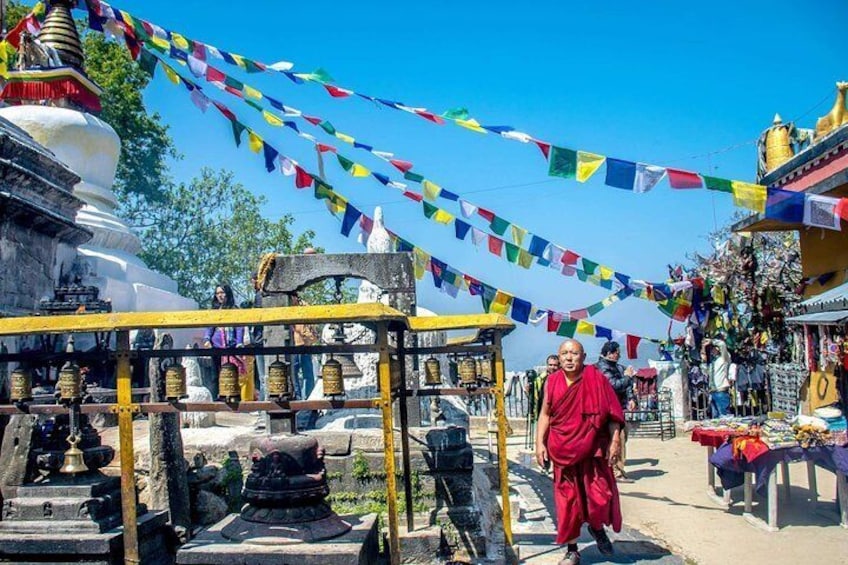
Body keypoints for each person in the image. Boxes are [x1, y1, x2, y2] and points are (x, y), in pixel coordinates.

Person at [535, 339, 625, 565]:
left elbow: (613, 414)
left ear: (583, 357)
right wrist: (539, 443)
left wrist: (615, 441)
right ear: (558, 356)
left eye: (574, 353)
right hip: (562, 451)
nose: (568, 357)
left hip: (592, 451)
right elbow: (545, 414)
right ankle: (572, 549)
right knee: (568, 503)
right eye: (564, 353)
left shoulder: (597, 379)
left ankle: (596, 527)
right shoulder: (552, 382)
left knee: (599, 498)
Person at [596, 341, 636, 482]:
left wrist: (631, 398)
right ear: (610, 353)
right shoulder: (603, 368)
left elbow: (627, 386)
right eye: (617, 353)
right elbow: (615, 386)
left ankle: (616, 469)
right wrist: (628, 377)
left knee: (622, 438)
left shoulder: (617, 367)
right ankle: (616, 471)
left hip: (619, 409)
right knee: (617, 439)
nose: (619, 356)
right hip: (609, 411)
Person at [202, 284, 246, 396]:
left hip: (231, 346)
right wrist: (207, 339)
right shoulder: (214, 310)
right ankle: (216, 399)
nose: (220, 295)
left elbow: (239, 327)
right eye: (217, 293)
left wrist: (239, 342)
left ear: (228, 293)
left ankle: (234, 397)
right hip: (216, 345)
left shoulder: (235, 310)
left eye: (222, 292)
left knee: (233, 373)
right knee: (215, 375)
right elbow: (209, 327)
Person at [701, 337, 732, 417]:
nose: (712, 350)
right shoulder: (711, 363)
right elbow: (703, 363)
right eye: (710, 349)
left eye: (713, 348)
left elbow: (722, 344)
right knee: (715, 418)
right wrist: (703, 347)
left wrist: (712, 341)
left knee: (724, 417)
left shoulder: (724, 359)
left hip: (721, 391)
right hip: (712, 392)